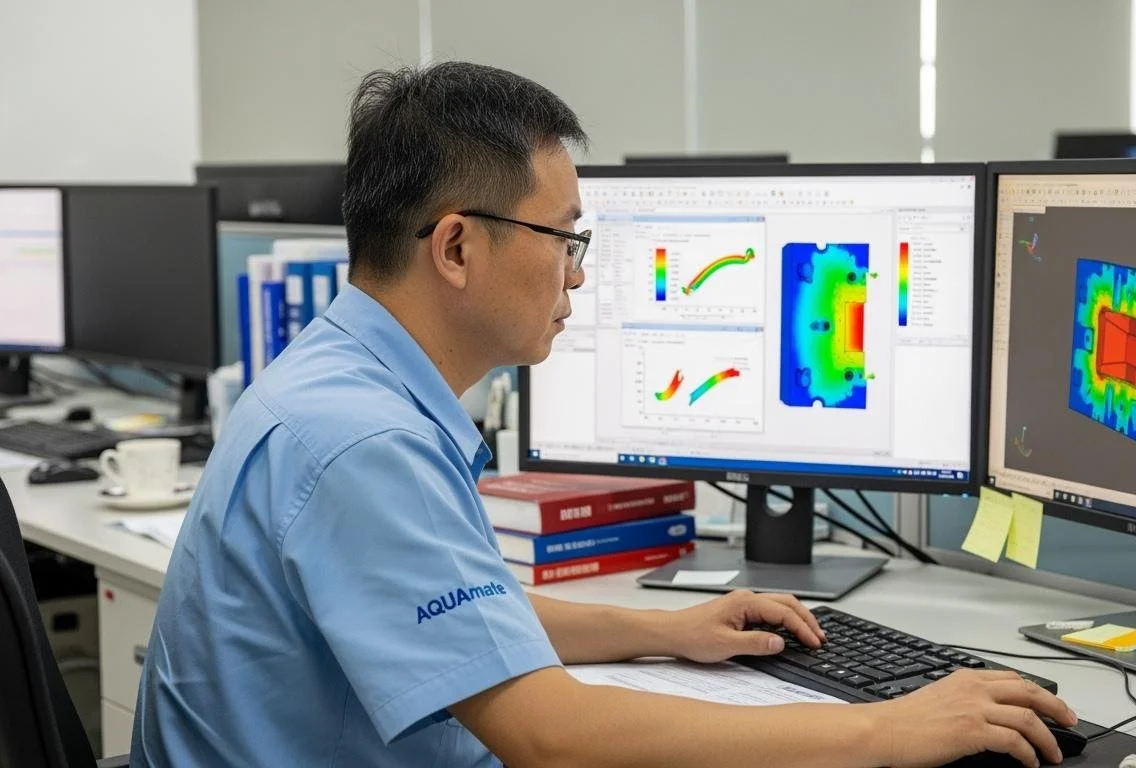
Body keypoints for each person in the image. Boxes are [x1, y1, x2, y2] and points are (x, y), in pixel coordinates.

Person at [130, 61, 1077, 768]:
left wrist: (666, 630)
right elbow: (548, 735)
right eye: (564, 237)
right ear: (456, 247)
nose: (578, 273)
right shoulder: (365, 443)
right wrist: (883, 726)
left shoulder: (335, 379)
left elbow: (462, 619)